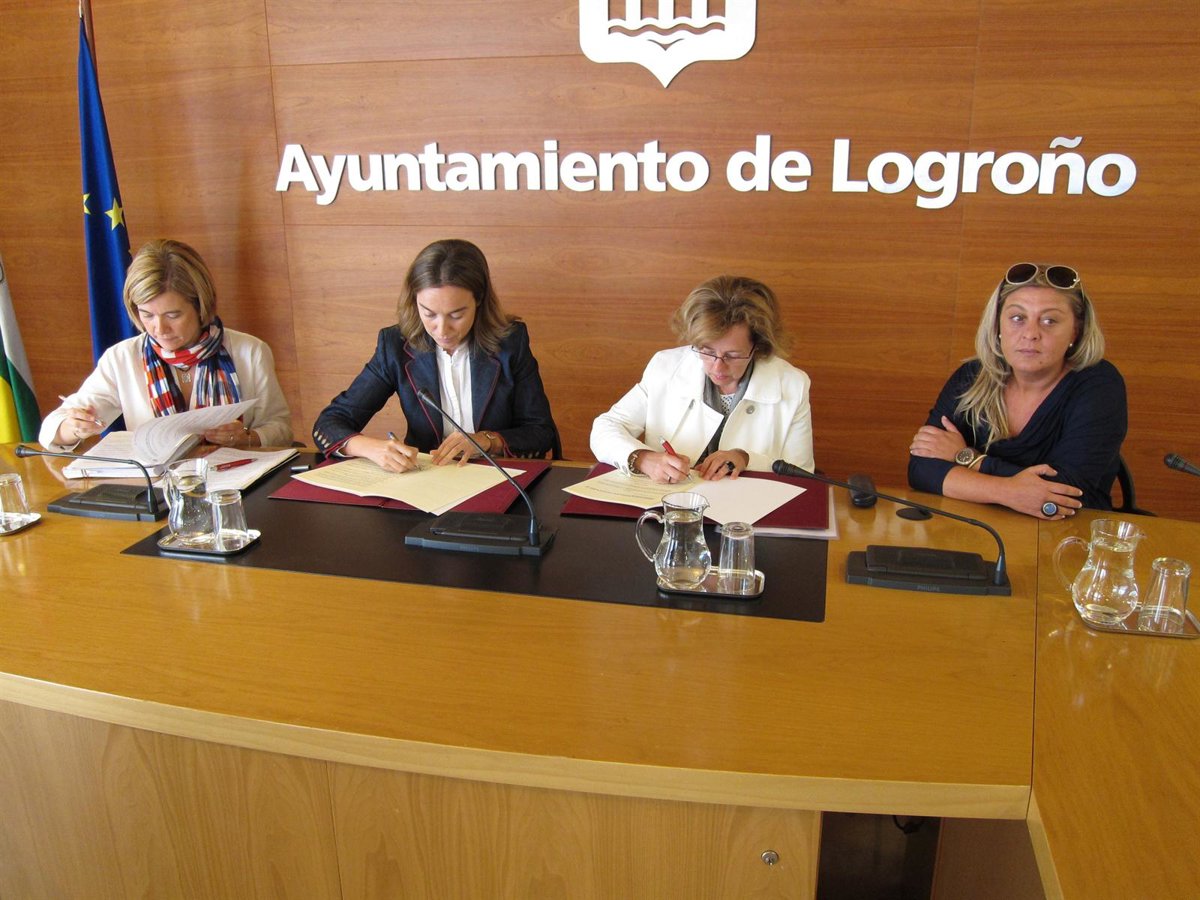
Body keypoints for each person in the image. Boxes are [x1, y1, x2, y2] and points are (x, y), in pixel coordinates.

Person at [313, 238, 558, 470]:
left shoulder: (510, 343)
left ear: (479, 300)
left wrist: (487, 440)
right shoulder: (395, 346)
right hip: (426, 479)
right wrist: (371, 448)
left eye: (456, 315)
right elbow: (329, 423)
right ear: (415, 302)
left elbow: (540, 432)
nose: (442, 330)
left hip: (498, 476)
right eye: (429, 313)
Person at [908, 262, 1126, 517]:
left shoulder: (1098, 385)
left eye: (1049, 320)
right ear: (998, 326)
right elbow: (922, 468)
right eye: (1017, 318)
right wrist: (1008, 492)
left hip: (1067, 531)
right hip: (977, 524)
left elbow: (1066, 493)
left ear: (1075, 332)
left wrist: (967, 458)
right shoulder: (972, 376)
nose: (1030, 333)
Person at [40, 239, 293, 451]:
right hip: (158, 487)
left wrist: (246, 438)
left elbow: (280, 430)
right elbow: (51, 431)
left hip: (236, 482)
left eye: (173, 315)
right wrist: (74, 427)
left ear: (200, 306)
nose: (159, 329)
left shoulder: (250, 352)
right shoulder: (121, 358)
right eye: (147, 315)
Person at [590, 274, 814, 483]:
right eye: (707, 351)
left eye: (732, 355)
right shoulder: (665, 367)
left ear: (759, 346)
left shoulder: (792, 384)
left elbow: (801, 475)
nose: (718, 367)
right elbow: (605, 427)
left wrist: (746, 458)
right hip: (667, 502)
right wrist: (642, 458)